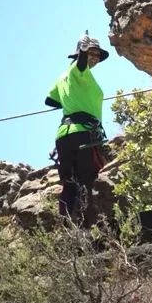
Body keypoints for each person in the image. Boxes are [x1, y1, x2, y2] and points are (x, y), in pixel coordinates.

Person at [45, 33, 109, 224]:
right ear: (81, 53)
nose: (95, 58)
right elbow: (80, 64)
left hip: (64, 135)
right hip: (82, 133)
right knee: (87, 179)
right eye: (92, 53)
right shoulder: (78, 70)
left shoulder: (64, 77)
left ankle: (66, 225)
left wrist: (71, 101)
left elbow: (50, 100)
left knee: (70, 183)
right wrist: (83, 50)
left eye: (98, 55)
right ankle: (86, 225)